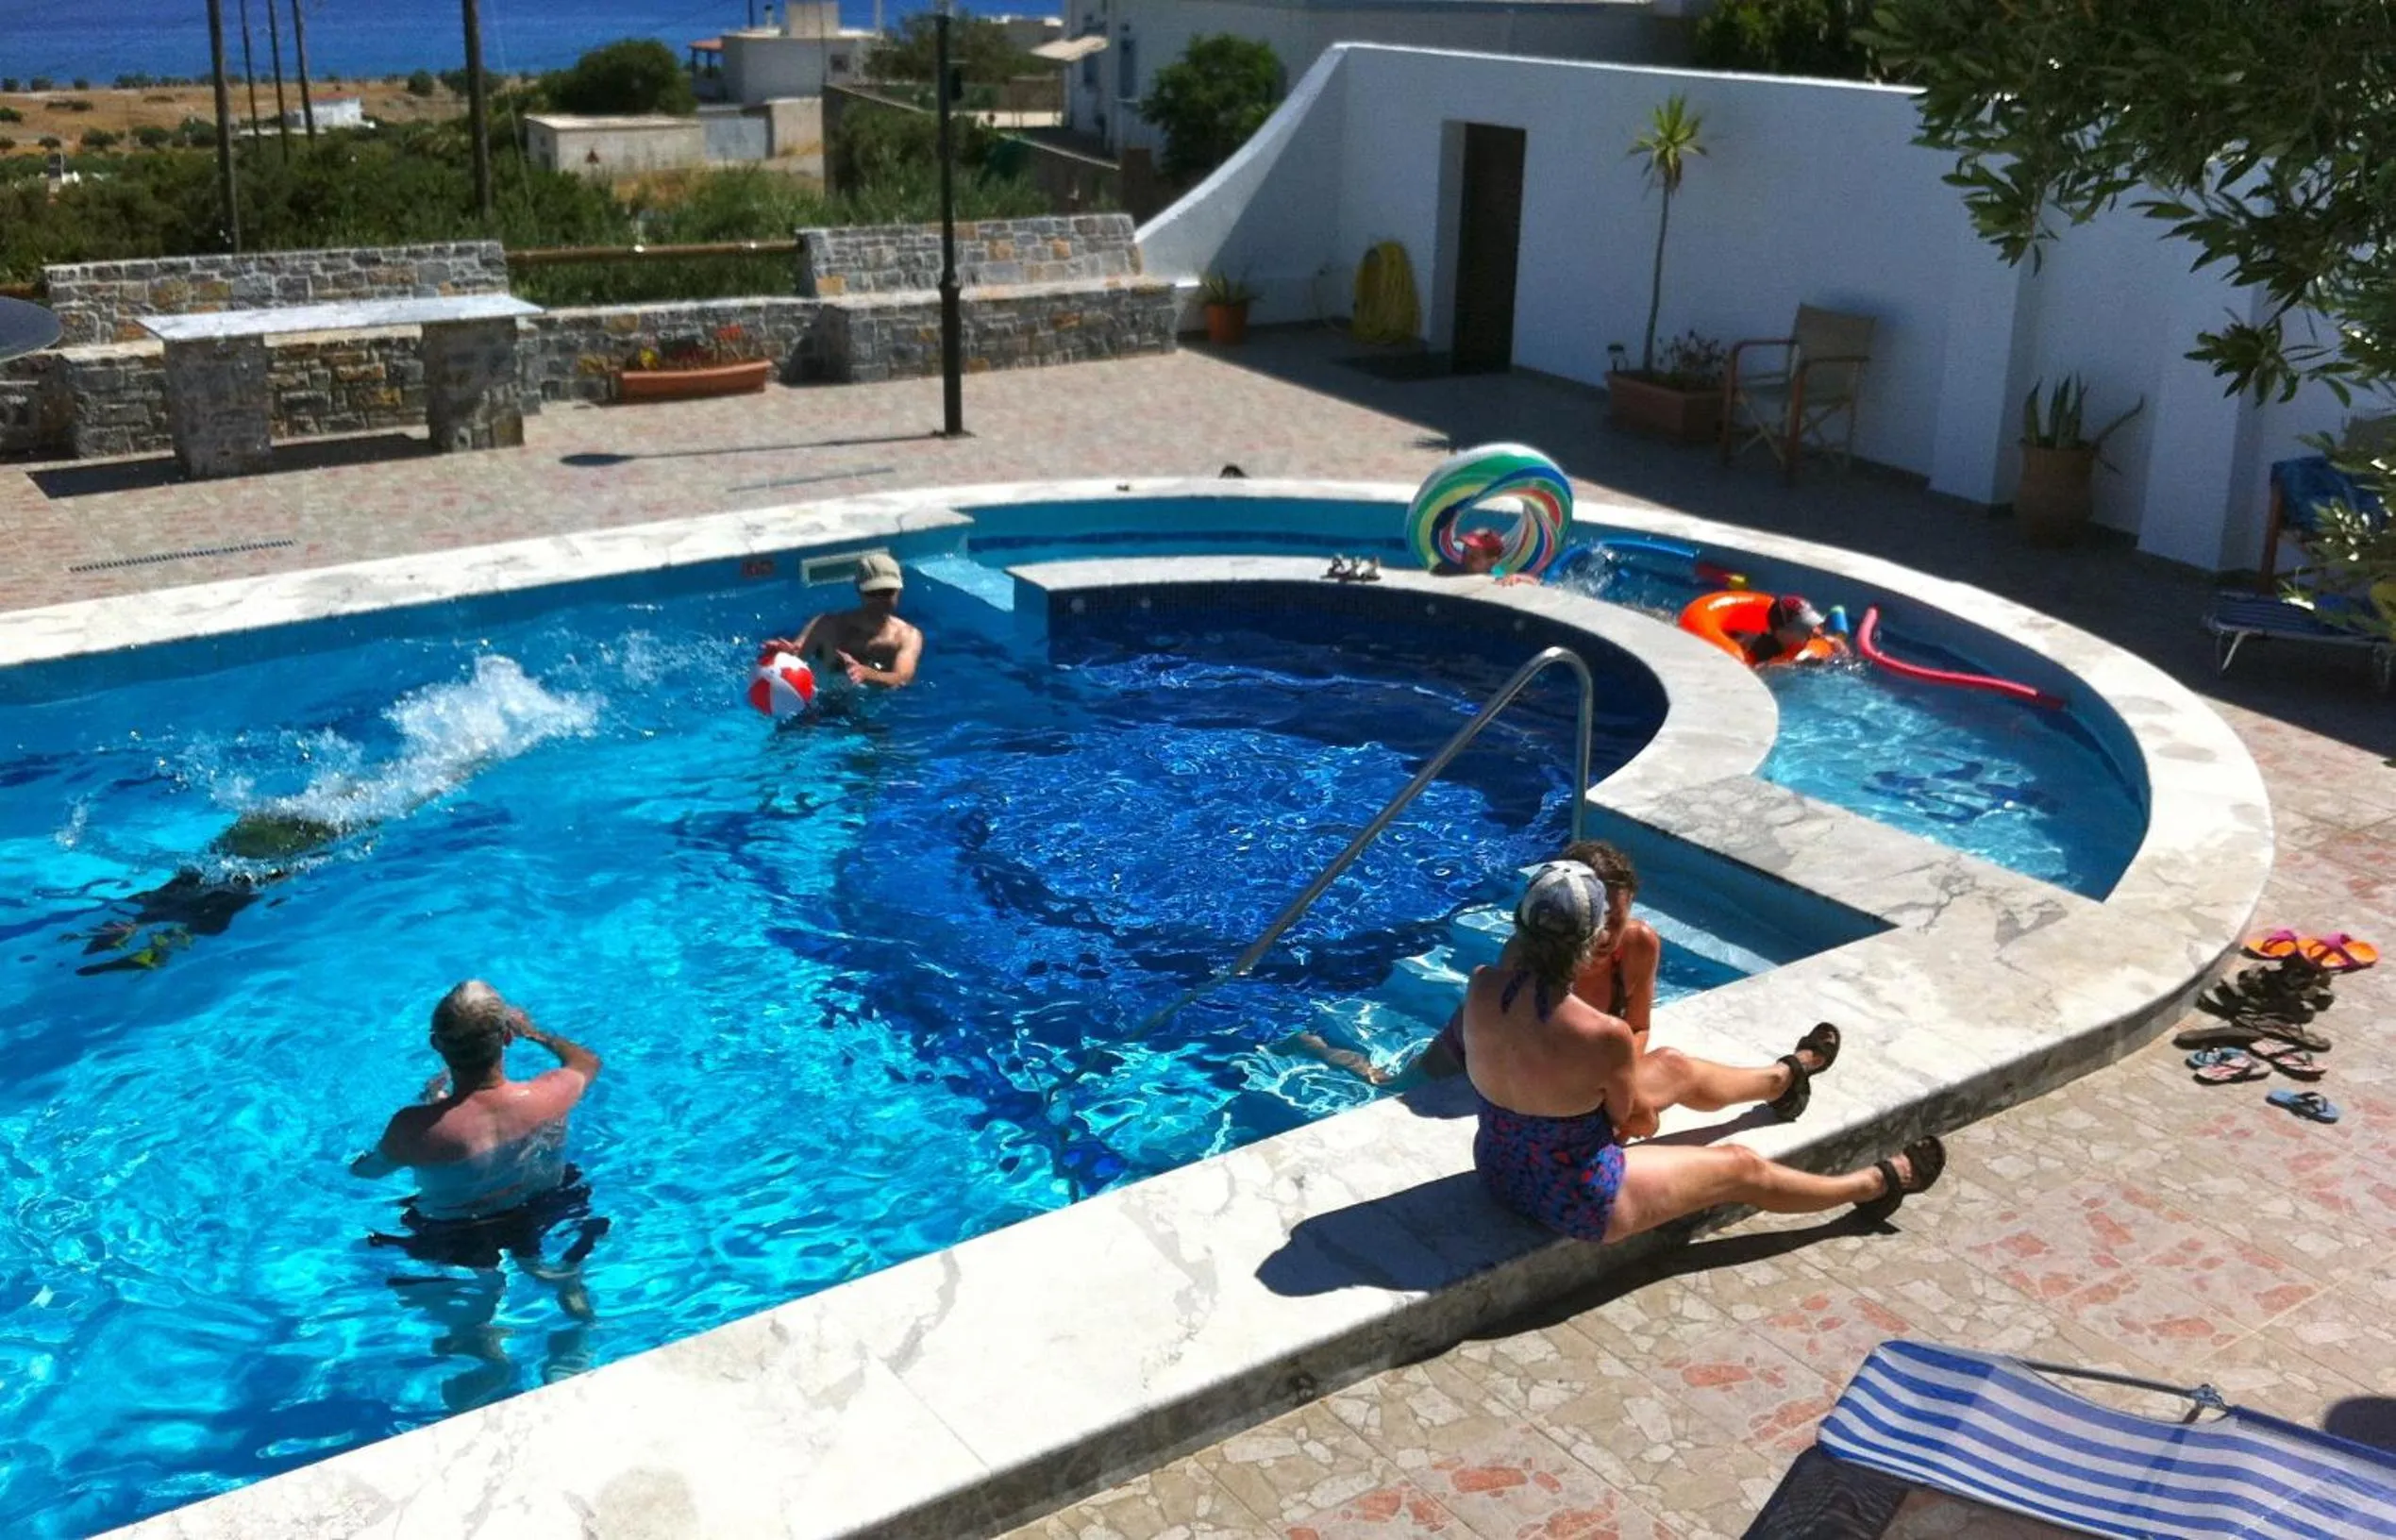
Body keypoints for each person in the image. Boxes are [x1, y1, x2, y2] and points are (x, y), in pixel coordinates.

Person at [1463, 862, 1944, 1243]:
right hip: (1573, 1198)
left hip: (1498, 1167)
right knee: (1740, 1165)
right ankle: (1876, 1184)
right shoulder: (1602, 1033)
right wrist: (1644, 1115)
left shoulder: (1483, 984)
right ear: (1590, 944)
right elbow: (1635, 1124)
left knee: (1671, 1065)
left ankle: (1783, 1078)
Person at [352, 981, 609, 1327]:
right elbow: (587, 1061)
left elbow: (368, 1172)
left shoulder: (413, 1127)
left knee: (475, 1281)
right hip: (545, 1206)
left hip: (460, 1230)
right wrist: (536, 1034)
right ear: (507, 1038)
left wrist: (434, 1110)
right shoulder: (551, 1094)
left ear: (435, 1044)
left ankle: (483, 1330)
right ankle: (570, 1289)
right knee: (548, 1258)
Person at [762, 552, 923, 692]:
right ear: (859, 591)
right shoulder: (827, 625)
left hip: (870, 708)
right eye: (873, 592)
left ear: (900, 590)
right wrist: (782, 655)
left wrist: (867, 674)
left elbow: (903, 678)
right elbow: (796, 657)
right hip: (823, 699)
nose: (879, 600)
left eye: (887, 592)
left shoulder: (907, 636)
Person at [1736, 594, 1845, 667]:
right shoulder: (1763, 649)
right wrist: (1792, 663)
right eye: (1803, 628)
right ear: (1781, 632)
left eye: (1811, 625)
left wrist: (1839, 647)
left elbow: (1833, 641)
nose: (1812, 631)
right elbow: (1759, 672)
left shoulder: (1810, 636)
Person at [1430, 528, 1539, 585]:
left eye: (1474, 557)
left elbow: (1535, 582)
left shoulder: (1496, 573)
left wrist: (1518, 578)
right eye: (1465, 552)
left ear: (1492, 561)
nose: (1466, 559)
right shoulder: (1455, 567)